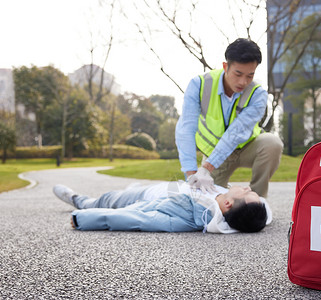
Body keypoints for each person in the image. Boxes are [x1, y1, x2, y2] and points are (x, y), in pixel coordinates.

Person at [176, 38, 283, 198]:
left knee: (272, 143)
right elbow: (186, 129)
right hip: (215, 155)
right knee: (208, 200)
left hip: (247, 148)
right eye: (238, 74)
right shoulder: (199, 85)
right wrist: (192, 175)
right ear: (226, 67)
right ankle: (228, 190)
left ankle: (258, 198)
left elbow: (236, 133)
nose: (243, 82)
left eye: (250, 75)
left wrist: (206, 168)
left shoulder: (257, 94)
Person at [52, 181, 271, 233]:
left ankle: (78, 200)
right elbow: (263, 214)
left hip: (142, 198)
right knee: (122, 192)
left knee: (105, 200)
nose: (247, 187)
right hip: (158, 186)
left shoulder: (191, 216)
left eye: (246, 192)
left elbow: (137, 218)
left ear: (228, 204)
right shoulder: (225, 202)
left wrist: (85, 218)